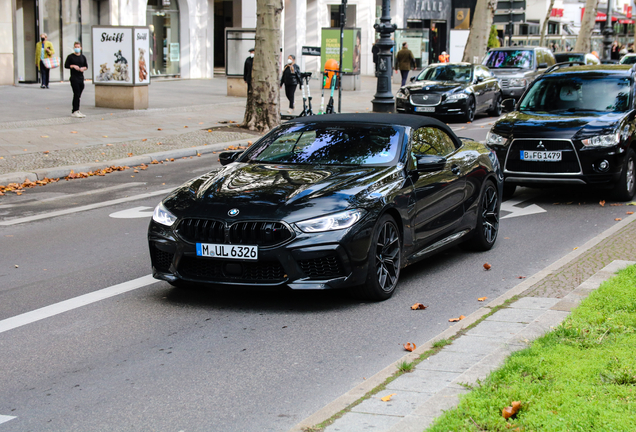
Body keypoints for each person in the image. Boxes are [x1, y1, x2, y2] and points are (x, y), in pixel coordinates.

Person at [64, 41, 88, 118]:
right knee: (76, 94)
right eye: (75, 47)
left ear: (80, 48)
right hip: (74, 78)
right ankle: (74, 110)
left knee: (79, 94)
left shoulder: (83, 57)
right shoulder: (70, 57)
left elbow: (86, 66)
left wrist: (83, 69)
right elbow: (66, 65)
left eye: (78, 47)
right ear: (74, 48)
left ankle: (77, 110)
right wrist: (73, 66)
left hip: (81, 77)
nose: (77, 48)